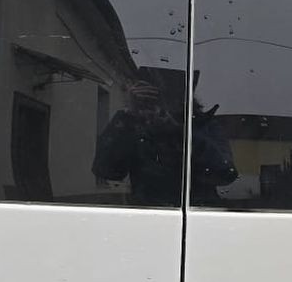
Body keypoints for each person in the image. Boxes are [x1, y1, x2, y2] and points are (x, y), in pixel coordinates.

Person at [93, 77, 236, 206]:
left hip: (201, 212)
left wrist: (181, 132)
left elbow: (226, 174)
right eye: (151, 98)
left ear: (185, 99)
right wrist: (129, 115)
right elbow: (106, 171)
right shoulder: (136, 125)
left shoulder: (203, 125)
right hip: (148, 214)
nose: (163, 107)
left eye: (168, 99)